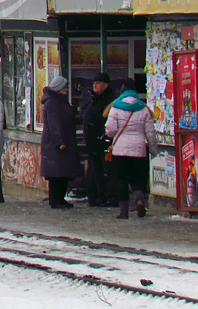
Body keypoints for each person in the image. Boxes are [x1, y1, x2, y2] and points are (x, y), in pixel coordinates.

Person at [105, 80, 158, 219]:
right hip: (139, 149)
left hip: (120, 150)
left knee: (121, 179)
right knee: (137, 178)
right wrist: (153, 149)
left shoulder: (115, 107)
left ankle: (123, 212)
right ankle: (139, 199)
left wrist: (110, 135)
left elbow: (111, 130)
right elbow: (150, 132)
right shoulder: (143, 108)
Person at [41, 75, 79, 209]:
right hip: (56, 145)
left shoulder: (58, 101)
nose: (67, 89)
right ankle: (57, 199)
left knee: (61, 172)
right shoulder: (53, 102)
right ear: (59, 88)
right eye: (65, 87)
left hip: (59, 143)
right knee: (57, 173)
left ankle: (58, 199)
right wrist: (60, 141)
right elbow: (54, 123)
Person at [79, 72, 116, 207]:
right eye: (94, 83)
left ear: (105, 85)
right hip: (92, 141)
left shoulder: (110, 100)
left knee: (105, 171)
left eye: (98, 83)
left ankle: (106, 196)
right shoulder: (91, 98)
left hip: (103, 141)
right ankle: (94, 196)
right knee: (94, 171)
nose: (95, 85)